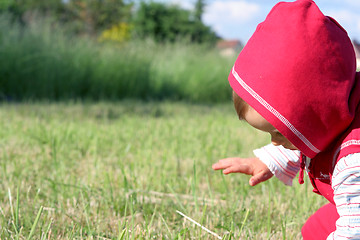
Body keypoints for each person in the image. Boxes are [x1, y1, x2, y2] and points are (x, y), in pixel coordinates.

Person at [212, 0, 360, 239]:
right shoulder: (333, 118)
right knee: (315, 230)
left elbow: (353, 233)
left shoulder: (354, 162)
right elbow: (305, 142)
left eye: (280, 132)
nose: (277, 141)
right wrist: (268, 161)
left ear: (317, 115)